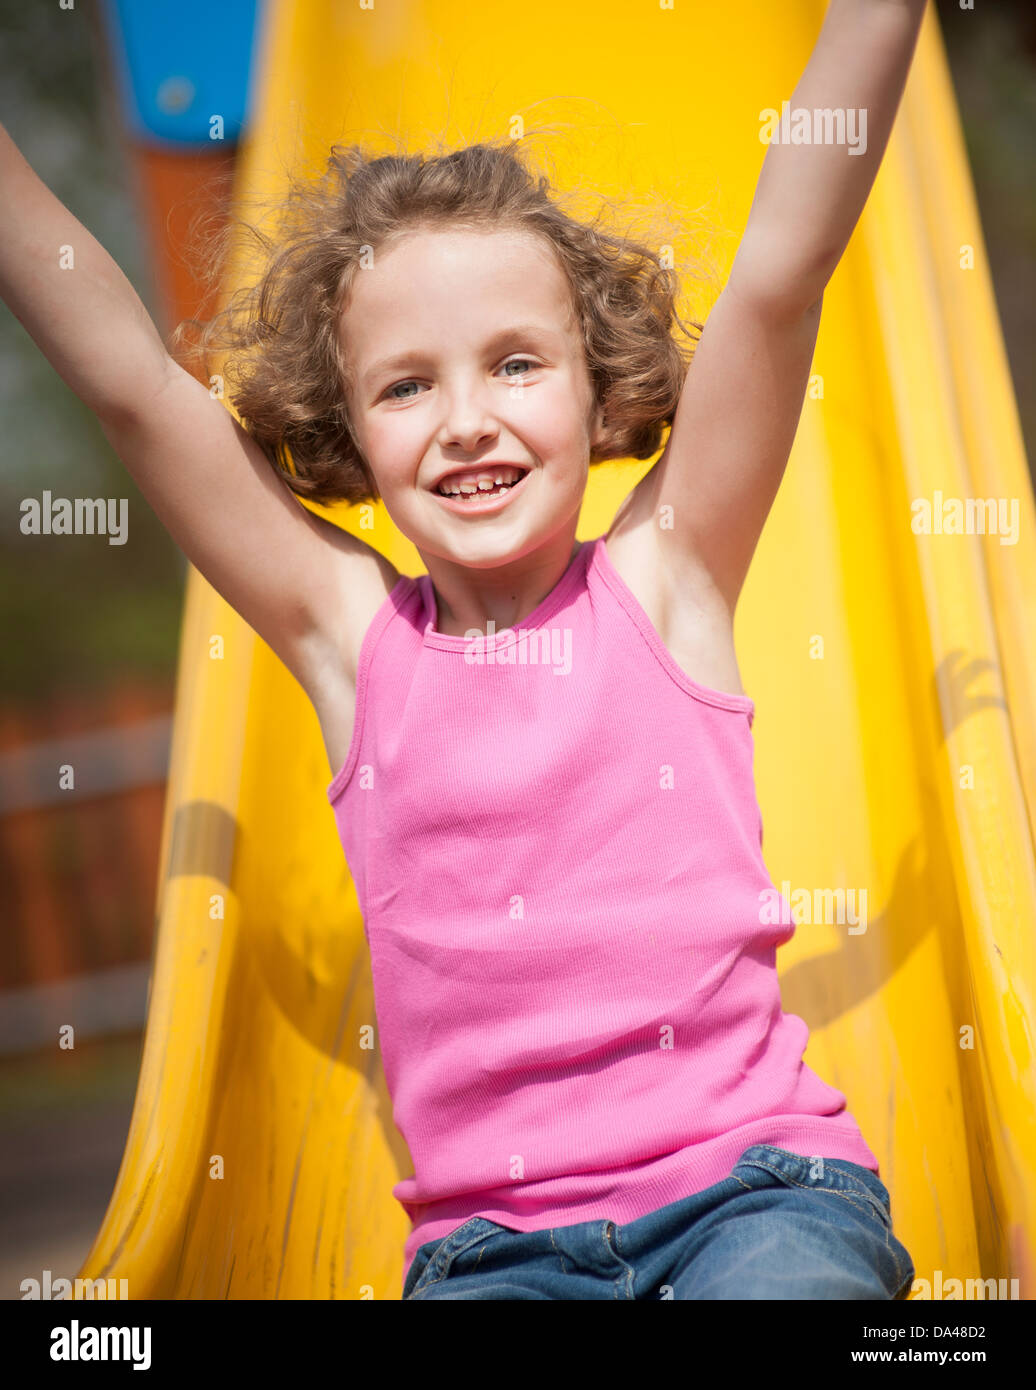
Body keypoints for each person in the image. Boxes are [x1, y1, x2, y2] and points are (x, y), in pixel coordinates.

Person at [0, 0, 928, 1301]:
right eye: (407, 385)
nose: (467, 422)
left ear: (597, 387)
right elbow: (137, 390)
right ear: (350, 428)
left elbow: (783, 267)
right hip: (496, 1248)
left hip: (755, 1193)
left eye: (514, 364)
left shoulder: (673, 576)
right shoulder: (350, 643)